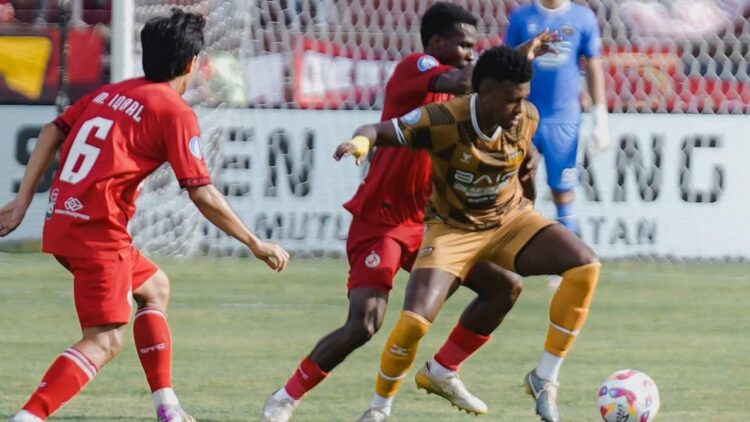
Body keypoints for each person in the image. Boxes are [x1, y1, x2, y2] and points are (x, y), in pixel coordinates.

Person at [259, 4, 554, 421]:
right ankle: (285, 397)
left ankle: (442, 369)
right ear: (436, 42)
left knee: (503, 287)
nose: (469, 53)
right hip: (382, 220)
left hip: (431, 225)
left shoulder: (472, 100)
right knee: (364, 323)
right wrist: (519, 53)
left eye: (474, 47)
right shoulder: (419, 66)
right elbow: (466, 78)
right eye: (464, 45)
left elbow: (484, 91)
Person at [0, 9, 289, 422]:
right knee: (104, 341)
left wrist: (22, 199)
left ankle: (167, 407)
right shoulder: (174, 111)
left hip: (64, 219)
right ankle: (27, 417)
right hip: (97, 231)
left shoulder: (111, 92)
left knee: (155, 287)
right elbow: (202, 192)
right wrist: (255, 242)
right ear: (191, 64)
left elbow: (52, 129)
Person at [335, 45, 601, 422]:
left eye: (524, 98)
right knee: (413, 323)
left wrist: (529, 204)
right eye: (512, 100)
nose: (520, 108)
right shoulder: (442, 119)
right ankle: (379, 409)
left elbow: (526, 166)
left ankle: (544, 377)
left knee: (585, 266)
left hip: (510, 219)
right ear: (485, 91)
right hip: (452, 229)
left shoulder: (526, 116)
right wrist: (359, 143)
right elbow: (378, 130)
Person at [505, 0, 610, 235]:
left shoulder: (583, 18)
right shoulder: (521, 17)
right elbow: (505, 63)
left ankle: (566, 265)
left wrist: (600, 116)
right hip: (523, 117)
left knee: (563, 191)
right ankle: (512, 256)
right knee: (517, 188)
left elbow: (593, 66)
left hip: (564, 119)